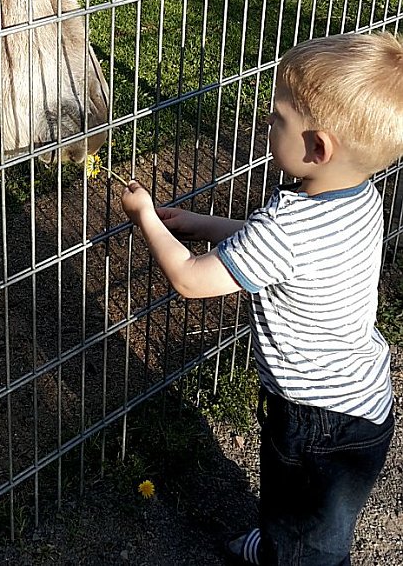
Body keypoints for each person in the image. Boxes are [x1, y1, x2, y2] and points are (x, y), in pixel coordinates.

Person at [121, 32, 403, 566]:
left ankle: (290, 552)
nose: (265, 126)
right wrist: (199, 222)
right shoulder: (360, 197)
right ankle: (283, 540)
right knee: (308, 511)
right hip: (362, 402)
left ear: (318, 147)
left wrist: (148, 219)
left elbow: (190, 279)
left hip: (313, 417)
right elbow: (270, 246)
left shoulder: (289, 225)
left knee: (312, 540)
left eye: (277, 119)